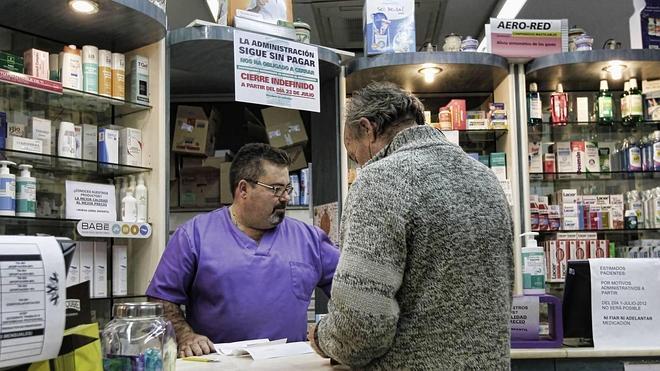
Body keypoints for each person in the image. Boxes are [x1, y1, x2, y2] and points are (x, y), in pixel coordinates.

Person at [308, 82, 514, 369]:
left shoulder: (380, 179)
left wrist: (323, 337)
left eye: (354, 155)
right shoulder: (485, 178)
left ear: (367, 128)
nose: (359, 166)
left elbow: (360, 329)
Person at [147, 143, 340, 358]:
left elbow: (351, 288)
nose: (286, 197)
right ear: (243, 190)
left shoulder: (309, 239)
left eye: (287, 189)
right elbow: (161, 299)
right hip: (219, 364)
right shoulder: (194, 236)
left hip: (290, 363)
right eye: (276, 189)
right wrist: (185, 336)